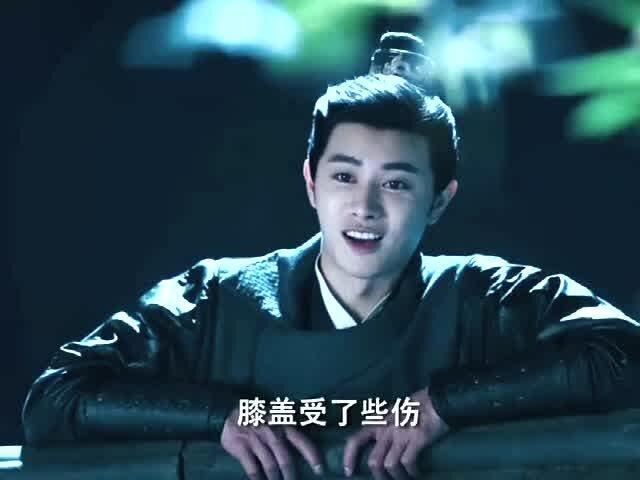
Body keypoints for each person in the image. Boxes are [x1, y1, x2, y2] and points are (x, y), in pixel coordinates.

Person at [22, 73, 640, 480]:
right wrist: (223, 415)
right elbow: (57, 398)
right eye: (344, 177)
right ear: (311, 183)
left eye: (395, 183)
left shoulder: (482, 297)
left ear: (440, 200)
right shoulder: (216, 299)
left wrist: (441, 404)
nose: (364, 207)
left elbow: (624, 353)